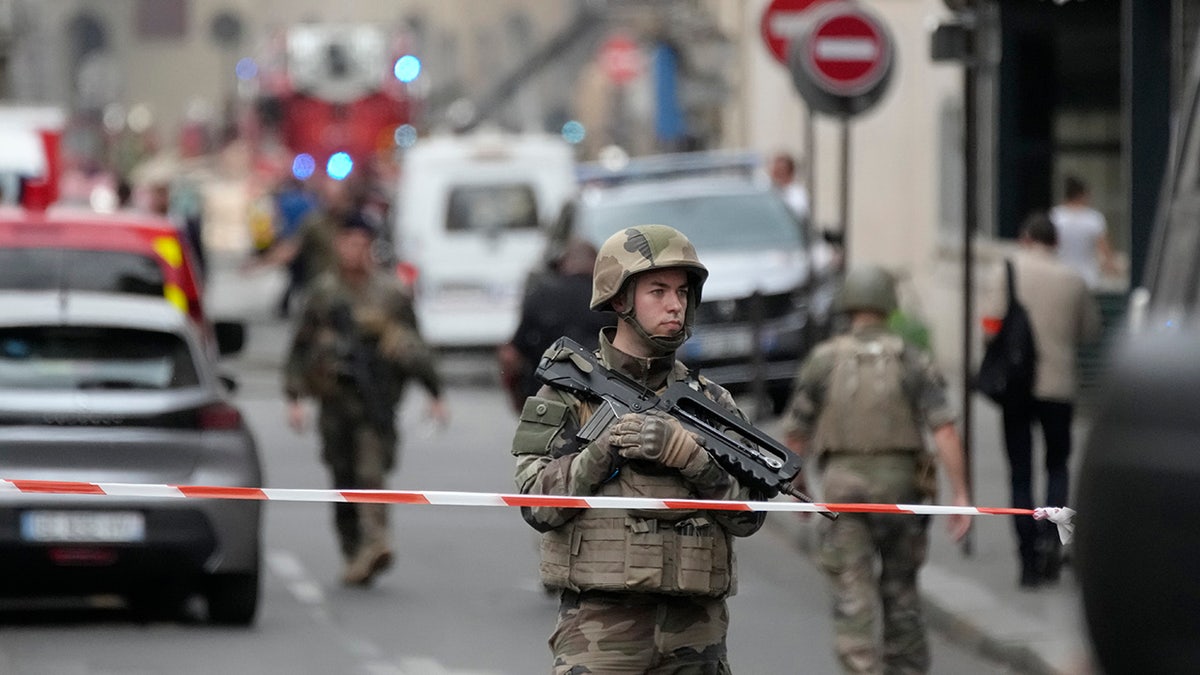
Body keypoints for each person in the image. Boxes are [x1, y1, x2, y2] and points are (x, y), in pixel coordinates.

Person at [511, 224, 766, 673]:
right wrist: (602, 452)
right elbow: (536, 505)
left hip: (696, 631)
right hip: (600, 629)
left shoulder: (712, 404)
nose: (675, 305)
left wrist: (692, 459)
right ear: (619, 299)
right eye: (658, 291)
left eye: (683, 293)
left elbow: (750, 517)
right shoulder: (568, 395)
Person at [781, 265, 972, 675]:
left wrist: (798, 487)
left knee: (853, 596)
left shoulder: (823, 360)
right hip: (901, 493)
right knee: (901, 593)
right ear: (889, 304)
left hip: (841, 493)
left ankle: (860, 668)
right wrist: (961, 495)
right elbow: (945, 430)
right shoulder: (913, 361)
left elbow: (796, 433)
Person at [283, 213, 447, 586]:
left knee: (370, 474)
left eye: (360, 243)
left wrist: (434, 392)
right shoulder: (323, 292)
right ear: (337, 245)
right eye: (347, 242)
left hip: (375, 401)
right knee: (342, 478)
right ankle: (353, 550)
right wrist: (293, 397)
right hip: (334, 400)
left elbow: (415, 346)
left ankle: (376, 542)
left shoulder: (390, 293)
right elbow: (300, 345)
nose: (353, 250)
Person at [982, 213, 1100, 588]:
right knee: (1057, 466)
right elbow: (1089, 331)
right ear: (1056, 243)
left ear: (1025, 237)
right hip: (1059, 386)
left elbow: (989, 326)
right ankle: (1052, 540)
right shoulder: (1073, 279)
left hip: (1017, 386)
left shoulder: (1006, 271)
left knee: (1020, 471)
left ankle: (1027, 559)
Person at [498, 238, 615, 412]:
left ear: (563, 263)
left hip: (546, 400)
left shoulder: (540, 294)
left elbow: (510, 356)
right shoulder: (612, 299)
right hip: (604, 401)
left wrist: (518, 401)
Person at [1048, 175, 1116, 288]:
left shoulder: (1055, 216)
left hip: (1061, 276)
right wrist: (1112, 269)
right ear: (1082, 195)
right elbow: (1104, 249)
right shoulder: (1094, 218)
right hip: (1087, 278)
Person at [767, 151, 810, 219]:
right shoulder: (769, 190)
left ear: (789, 172)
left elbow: (797, 213)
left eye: (779, 171)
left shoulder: (797, 193)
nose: (774, 175)